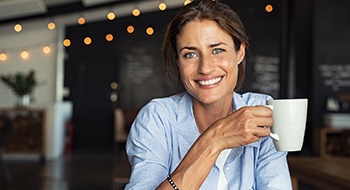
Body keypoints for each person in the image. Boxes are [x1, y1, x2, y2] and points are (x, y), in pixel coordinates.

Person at [125, 0, 292, 189]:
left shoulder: (262, 111)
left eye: (218, 50)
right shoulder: (157, 119)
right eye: (190, 54)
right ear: (178, 61)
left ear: (240, 53)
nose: (205, 68)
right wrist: (214, 140)